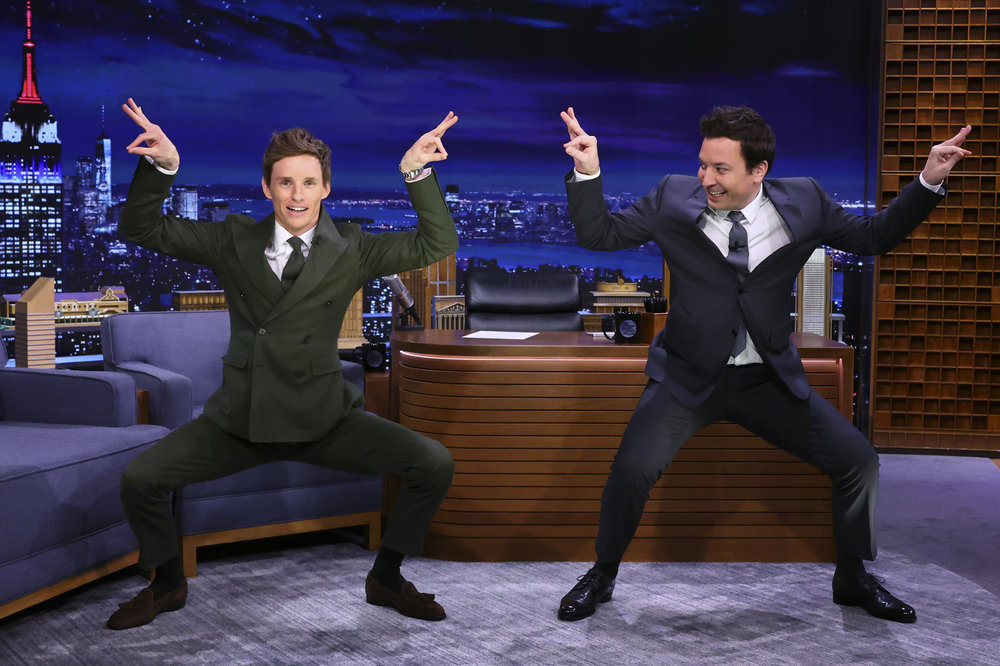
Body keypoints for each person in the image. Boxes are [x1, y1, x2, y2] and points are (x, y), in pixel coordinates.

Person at [556, 105, 972, 624]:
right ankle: (603, 573)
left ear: (759, 170)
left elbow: (874, 238)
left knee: (859, 461)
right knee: (631, 469)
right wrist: (588, 170)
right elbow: (599, 235)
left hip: (766, 377)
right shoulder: (670, 197)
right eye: (702, 164)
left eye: (720, 169)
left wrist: (929, 180)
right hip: (687, 376)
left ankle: (851, 576)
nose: (705, 178)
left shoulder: (806, 201)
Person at [107, 98, 460, 630]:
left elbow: (439, 241)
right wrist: (164, 167)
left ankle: (386, 576)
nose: (297, 195)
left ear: (326, 189)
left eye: (308, 183)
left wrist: (415, 171)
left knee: (433, 463)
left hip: (324, 418)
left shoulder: (354, 247)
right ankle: (168, 582)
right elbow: (143, 230)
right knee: (141, 479)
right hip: (241, 420)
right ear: (267, 188)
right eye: (286, 183)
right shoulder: (232, 240)